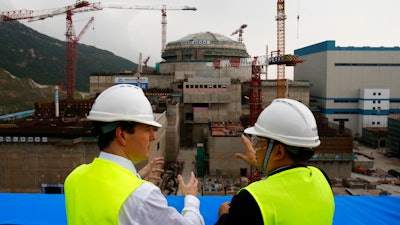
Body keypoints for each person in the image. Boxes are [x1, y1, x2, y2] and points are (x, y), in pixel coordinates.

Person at [64, 84, 204, 225]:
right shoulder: (143, 196)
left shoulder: (74, 178)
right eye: (148, 129)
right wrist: (191, 200)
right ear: (122, 135)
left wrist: (135, 177)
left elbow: (106, 194)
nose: (153, 136)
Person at [215, 98, 335, 225]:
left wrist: (224, 214)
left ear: (278, 151)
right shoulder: (322, 178)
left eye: (258, 142)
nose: (255, 149)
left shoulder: (252, 199)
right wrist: (263, 165)